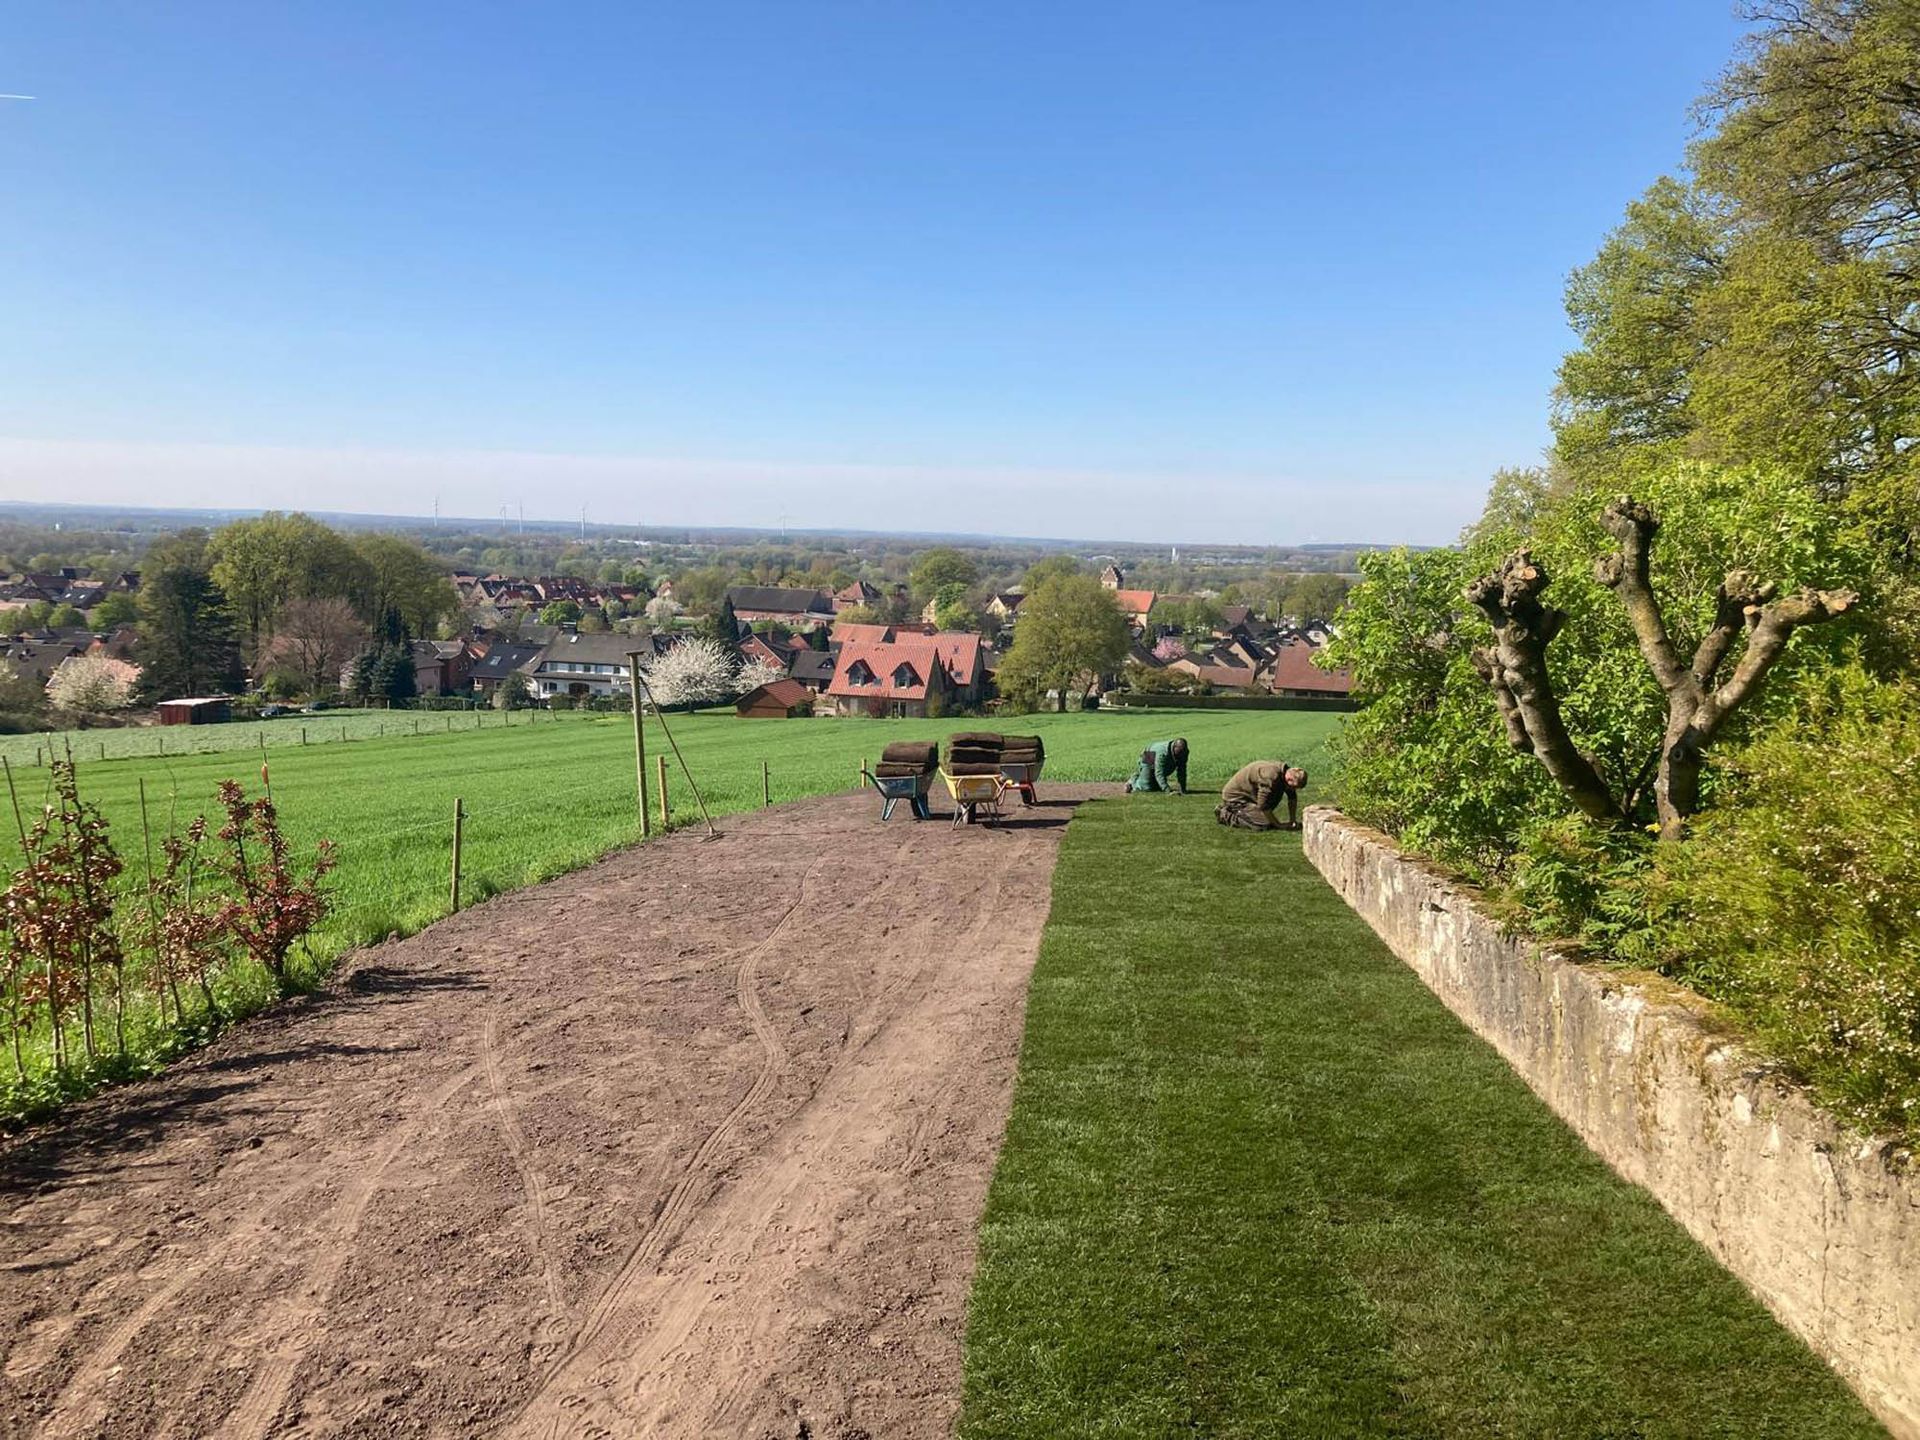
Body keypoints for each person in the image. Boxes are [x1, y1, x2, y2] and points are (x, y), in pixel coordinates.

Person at [1216, 760, 1307, 830]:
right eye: (1294, 787)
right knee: (1263, 824)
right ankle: (1225, 814)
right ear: (1289, 779)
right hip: (1236, 797)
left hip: (1250, 794)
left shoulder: (1286, 772)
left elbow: (1292, 797)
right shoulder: (1270, 777)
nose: (1293, 790)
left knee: (1273, 801)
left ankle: (1252, 812)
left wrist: (1293, 820)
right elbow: (1263, 805)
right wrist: (1278, 825)